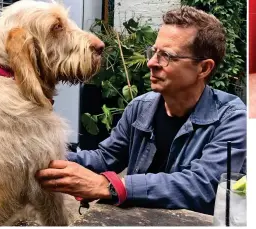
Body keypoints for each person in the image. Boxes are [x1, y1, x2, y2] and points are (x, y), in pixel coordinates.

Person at [36, 6, 246, 215]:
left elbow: (203, 186)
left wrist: (110, 186)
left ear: (204, 68)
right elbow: (105, 157)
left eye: (167, 56)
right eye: (154, 52)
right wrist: (42, 158)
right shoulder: (141, 108)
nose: (151, 62)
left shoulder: (232, 119)